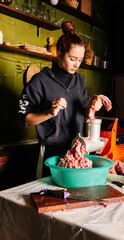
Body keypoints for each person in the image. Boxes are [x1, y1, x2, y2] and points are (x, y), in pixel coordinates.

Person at [18, 21, 103, 178]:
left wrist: (92, 105)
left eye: (80, 60)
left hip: (77, 152)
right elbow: (25, 119)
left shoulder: (79, 80)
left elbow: (83, 110)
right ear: (59, 53)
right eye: (72, 59)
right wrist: (50, 112)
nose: (77, 64)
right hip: (50, 154)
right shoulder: (39, 81)